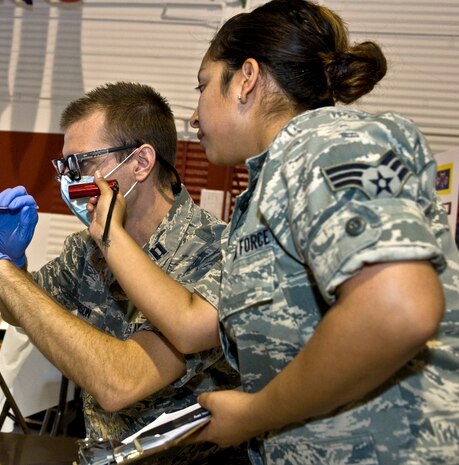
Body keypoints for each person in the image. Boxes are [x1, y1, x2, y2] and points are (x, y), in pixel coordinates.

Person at [88, 1, 459, 463]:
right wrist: (108, 231)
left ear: (245, 79)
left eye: (203, 86)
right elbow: (186, 323)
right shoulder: (262, 197)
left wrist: (255, 413)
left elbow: (397, 308)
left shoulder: (330, 146)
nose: (194, 117)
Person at [0, 82, 245, 464]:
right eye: (63, 166)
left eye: (80, 165)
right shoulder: (88, 250)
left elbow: (120, 383)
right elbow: (19, 312)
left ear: (141, 163)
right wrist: (14, 263)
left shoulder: (215, 252)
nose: (67, 181)